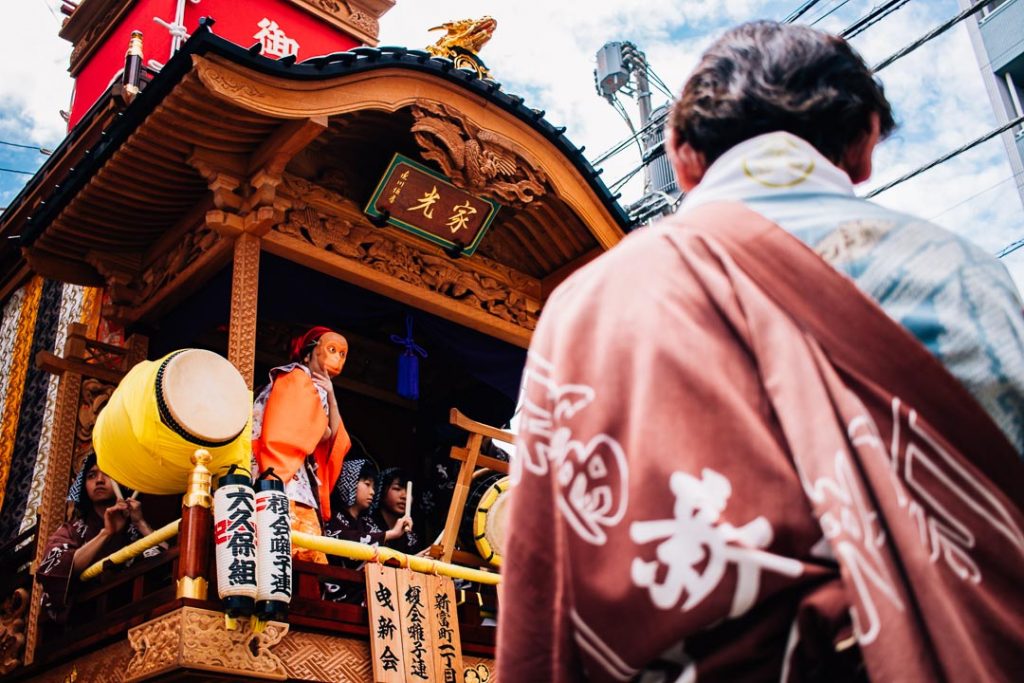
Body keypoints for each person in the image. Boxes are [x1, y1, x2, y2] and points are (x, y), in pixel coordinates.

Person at [497, 20, 1024, 683]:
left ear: (680, 157)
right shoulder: (963, 278)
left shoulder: (588, 305)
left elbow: (544, 579)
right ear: (864, 144)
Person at [252, 326, 352, 564]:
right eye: (331, 349)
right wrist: (328, 397)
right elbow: (325, 434)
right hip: (283, 472)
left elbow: (336, 437)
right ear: (308, 354)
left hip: (288, 470)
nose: (337, 357)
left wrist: (331, 396)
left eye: (342, 353)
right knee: (297, 552)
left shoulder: (307, 383)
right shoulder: (297, 378)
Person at [37, 452, 164, 623]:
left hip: (135, 614)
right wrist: (106, 533)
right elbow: (54, 568)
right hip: (84, 620)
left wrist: (140, 522)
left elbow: (166, 559)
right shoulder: (73, 529)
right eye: (91, 475)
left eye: (108, 474)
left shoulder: (135, 527)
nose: (99, 480)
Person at [370, 467, 421, 555]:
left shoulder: (410, 536)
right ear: (381, 490)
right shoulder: (364, 524)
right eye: (397, 489)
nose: (404, 496)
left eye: (410, 492)